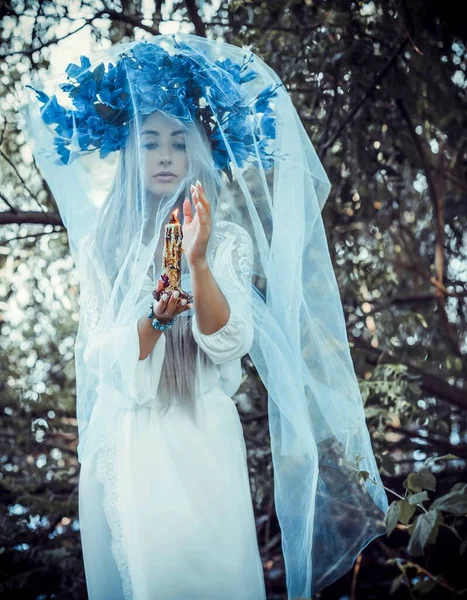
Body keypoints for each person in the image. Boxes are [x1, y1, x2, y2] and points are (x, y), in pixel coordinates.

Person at [20, 34, 389, 600]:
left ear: (197, 152)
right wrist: (155, 320)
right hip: (131, 436)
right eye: (150, 143)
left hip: (203, 432)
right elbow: (102, 356)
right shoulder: (105, 247)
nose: (165, 155)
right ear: (129, 152)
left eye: (178, 142)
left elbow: (227, 339)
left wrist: (198, 261)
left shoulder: (226, 240)